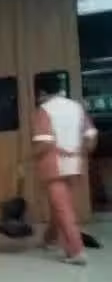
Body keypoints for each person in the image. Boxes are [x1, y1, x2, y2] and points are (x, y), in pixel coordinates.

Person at [32, 76, 98, 266]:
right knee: (60, 205)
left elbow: (44, 144)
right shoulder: (76, 107)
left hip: (54, 165)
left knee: (62, 208)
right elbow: (91, 137)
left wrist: (29, 157)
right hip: (75, 164)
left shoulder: (45, 110)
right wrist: (80, 151)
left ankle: (76, 251)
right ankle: (50, 239)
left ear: (41, 93)